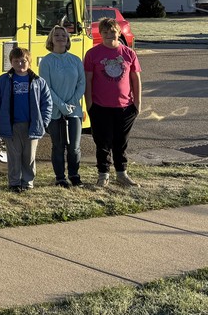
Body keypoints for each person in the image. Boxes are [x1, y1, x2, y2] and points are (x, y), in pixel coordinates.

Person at [84, 17, 142, 188]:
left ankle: (121, 174)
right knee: (102, 143)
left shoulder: (128, 53)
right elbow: (88, 80)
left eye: (113, 32)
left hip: (125, 107)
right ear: (101, 34)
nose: (110, 35)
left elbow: (136, 79)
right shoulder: (93, 54)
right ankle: (103, 175)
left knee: (121, 142)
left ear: (119, 32)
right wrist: (89, 104)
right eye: (105, 32)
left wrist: (137, 103)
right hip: (100, 106)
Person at [0, 47, 53, 192]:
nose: (20, 64)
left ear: (29, 62)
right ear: (11, 63)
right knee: (14, 156)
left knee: (28, 156)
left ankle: (27, 183)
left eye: (23, 61)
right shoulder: (3, 81)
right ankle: (14, 183)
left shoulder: (38, 81)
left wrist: (43, 122)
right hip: (11, 125)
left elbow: (47, 103)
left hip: (32, 125)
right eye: (16, 61)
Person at [39, 26, 86, 188]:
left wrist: (72, 104)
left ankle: (74, 175)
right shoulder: (46, 61)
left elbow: (82, 84)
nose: (60, 37)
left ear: (68, 40)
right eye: (56, 35)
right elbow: (46, 87)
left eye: (63, 35)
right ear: (51, 40)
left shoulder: (75, 60)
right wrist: (62, 105)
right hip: (55, 112)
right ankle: (60, 177)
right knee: (58, 146)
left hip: (75, 111)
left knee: (74, 147)